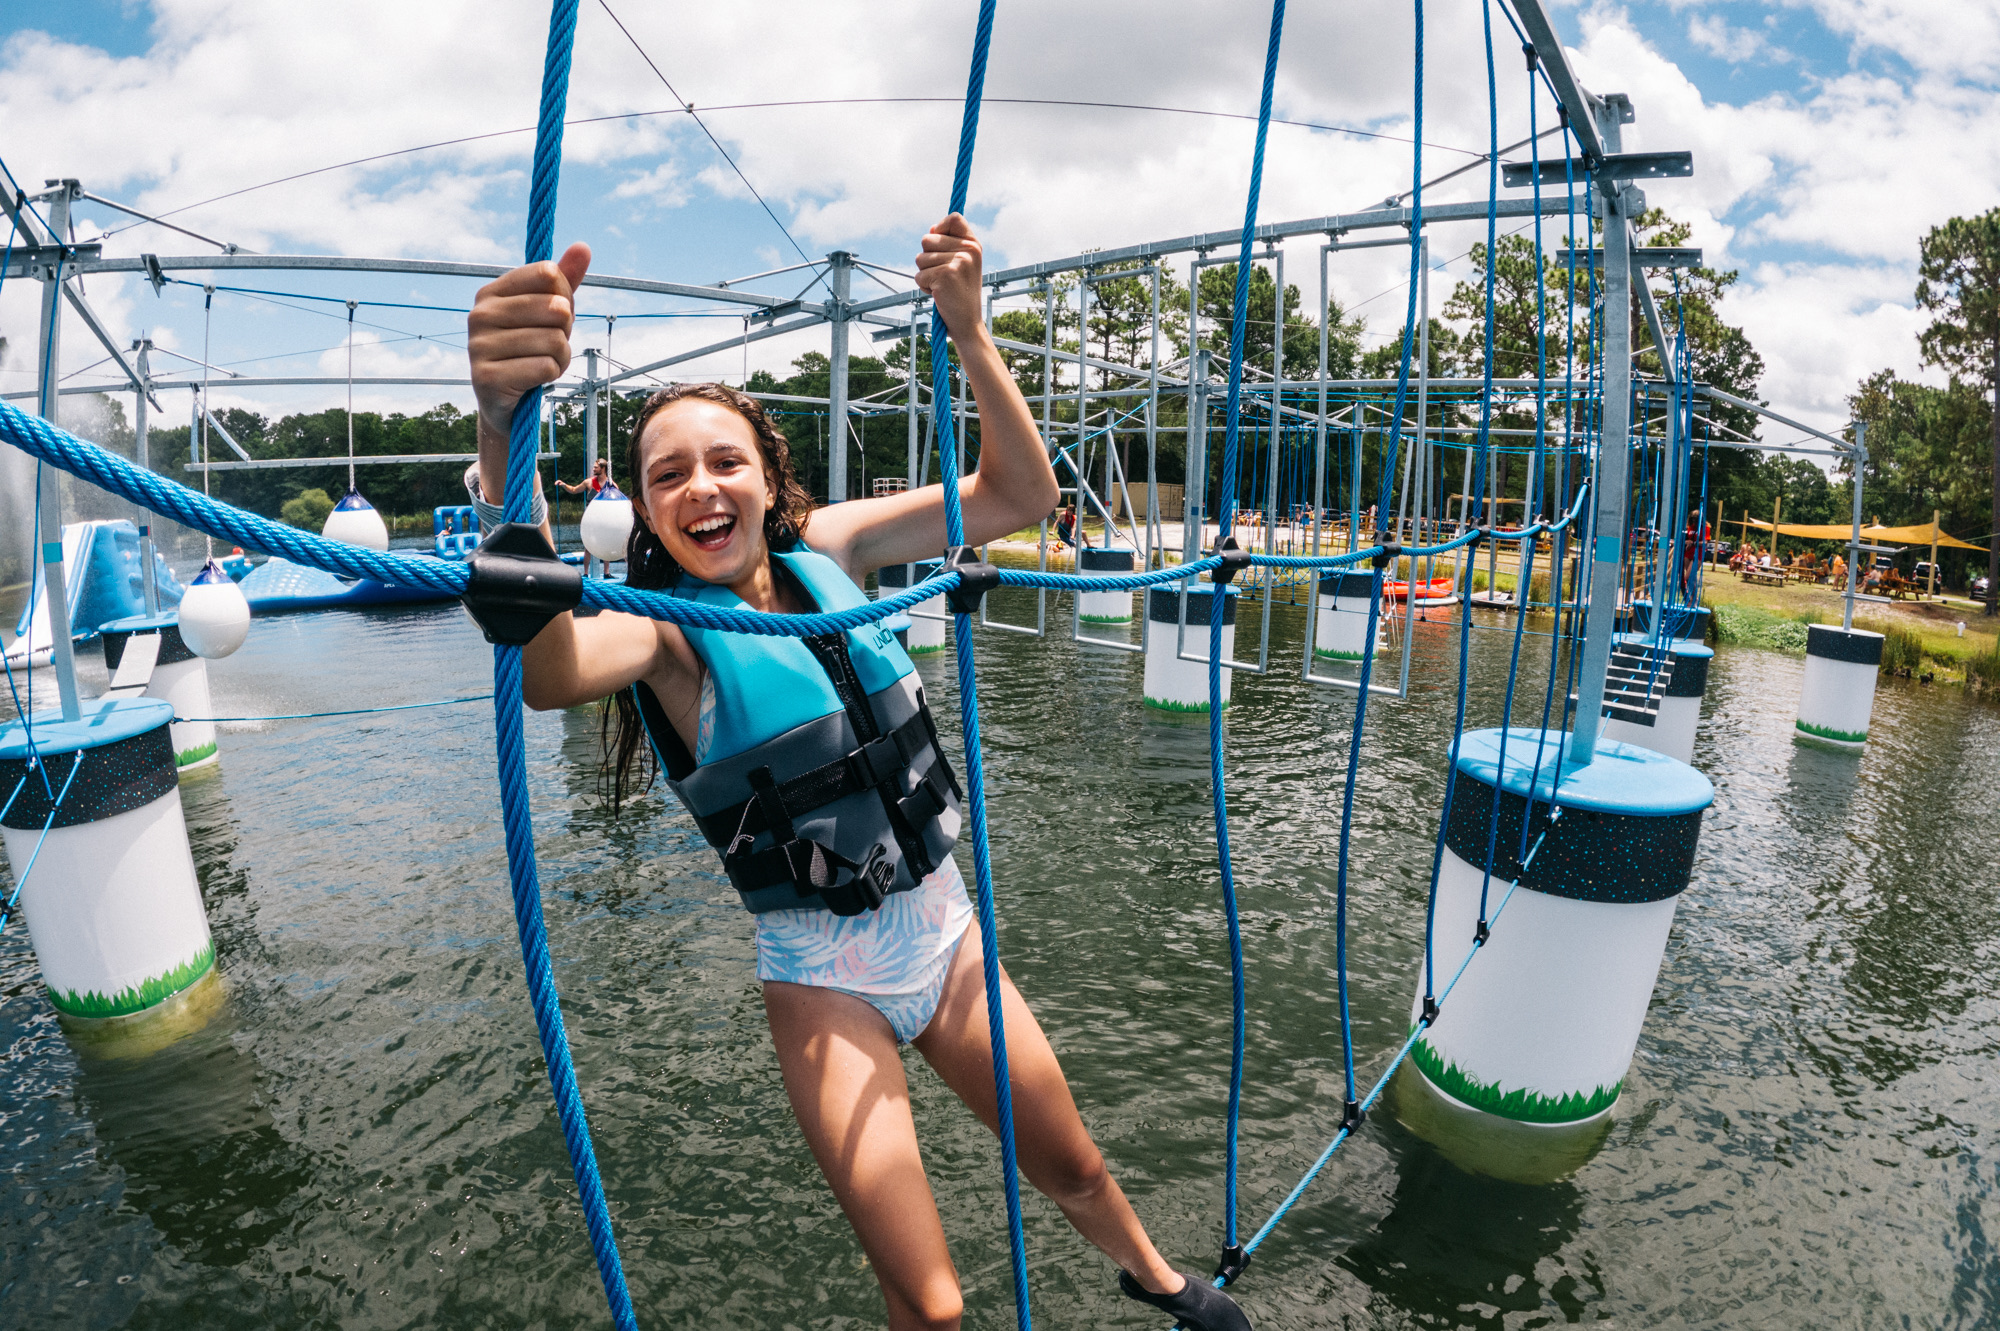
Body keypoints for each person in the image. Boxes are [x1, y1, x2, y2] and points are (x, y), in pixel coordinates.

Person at [464, 215, 1252, 1331]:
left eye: (723, 459)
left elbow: (1015, 498)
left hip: (947, 934)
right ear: (644, 512)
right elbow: (551, 670)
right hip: (822, 974)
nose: (702, 486)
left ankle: (1156, 1275)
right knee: (928, 1306)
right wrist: (503, 435)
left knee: (1073, 1164)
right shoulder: (663, 633)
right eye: (668, 474)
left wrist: (970, 332)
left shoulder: (828, 549)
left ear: (765, 477)